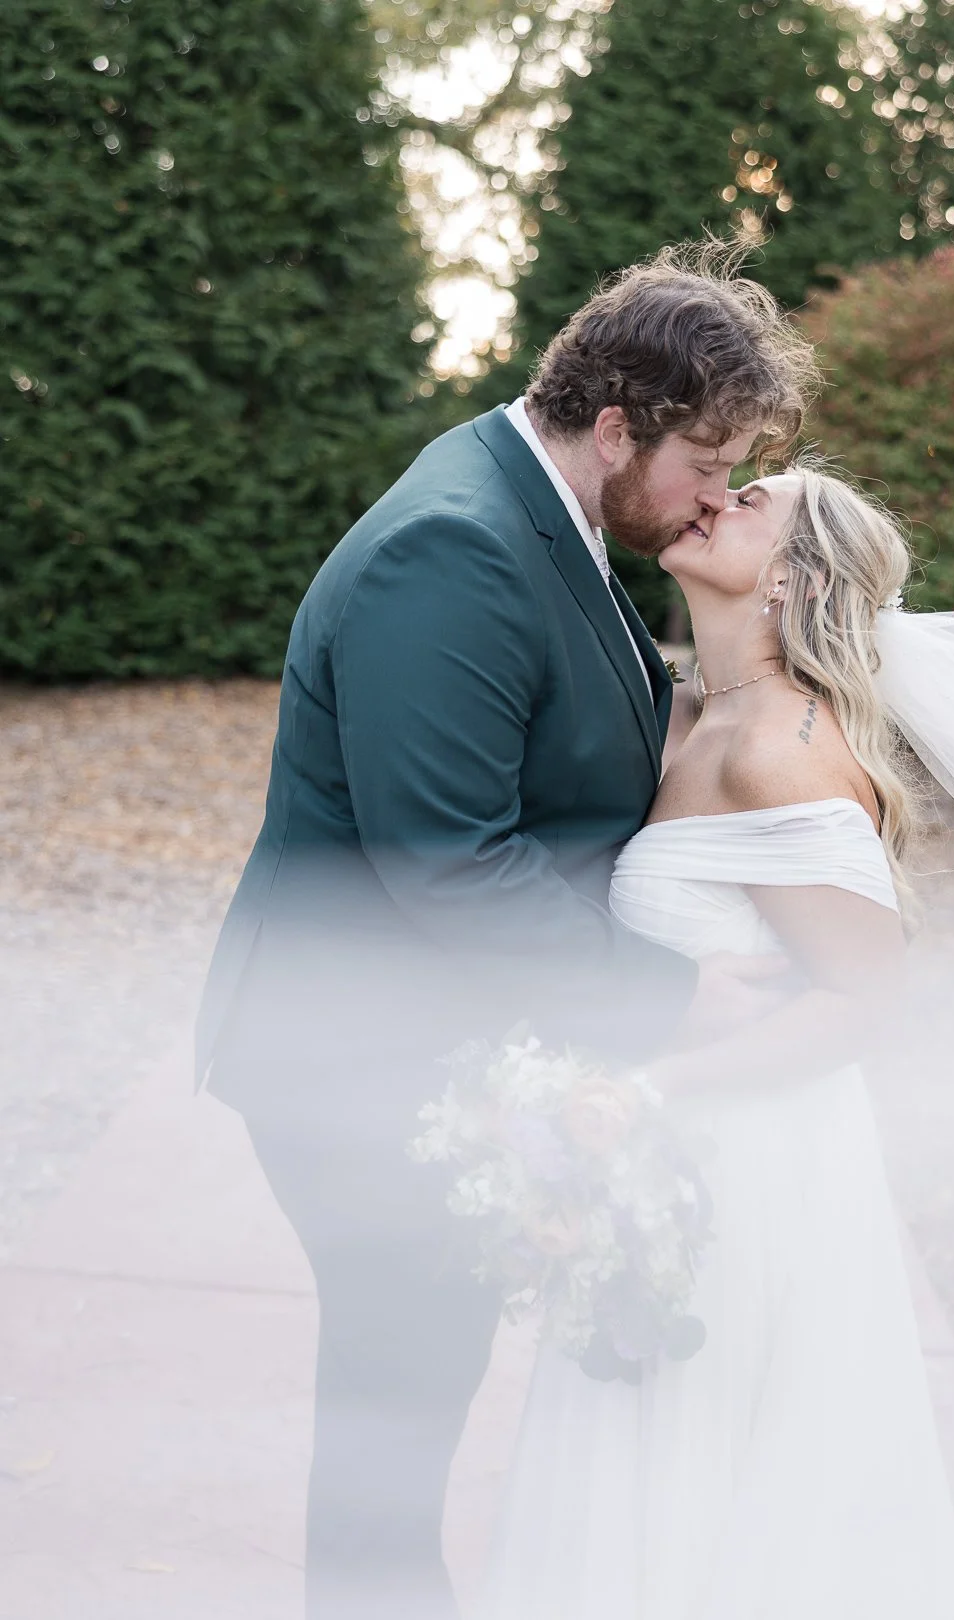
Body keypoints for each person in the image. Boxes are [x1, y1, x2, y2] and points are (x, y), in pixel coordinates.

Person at [194, 241, 819, 1619]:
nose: (719, 492)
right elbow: (448, 865)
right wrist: (672, 996)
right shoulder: (456, 552)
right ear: (615, 426)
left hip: (431, 1047)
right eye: (708, 459)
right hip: (353, 1066)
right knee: (396, 1414)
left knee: (415, 1395)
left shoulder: (552, 514)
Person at [477, 464, 954, 1619]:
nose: (717, 497)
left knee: (718, 1486)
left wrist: (644, 1092)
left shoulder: (780, 754)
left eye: (754, 497)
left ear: (793, 579)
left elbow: (862, 1002)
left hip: (751, 1176)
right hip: (663, 1168)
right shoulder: (688, 715)